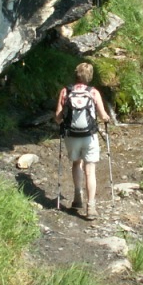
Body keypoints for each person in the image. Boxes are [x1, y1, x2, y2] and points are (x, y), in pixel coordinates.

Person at [55, 62, 109, 219]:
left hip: (71, 136)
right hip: (88, 137)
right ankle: (91, 207)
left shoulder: (66, 91)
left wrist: (64, 121)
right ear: (89, 77)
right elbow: (103, 115)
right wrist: (106, 119)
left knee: (76, 163)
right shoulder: (93, 92)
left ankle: (77, 196)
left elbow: (58, 117)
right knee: (90, 170)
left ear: (75, 75)